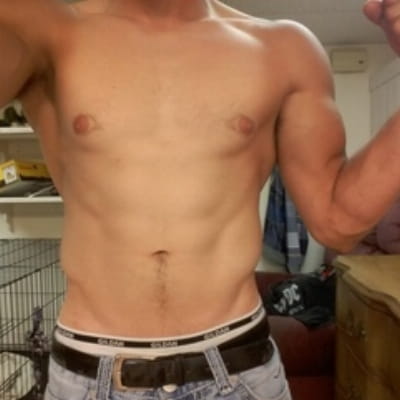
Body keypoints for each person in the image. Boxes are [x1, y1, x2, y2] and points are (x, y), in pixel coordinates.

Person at [0, 0, 399, 399]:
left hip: (239, 368)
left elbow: (338, 222)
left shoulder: (284, 48)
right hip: (91, 371)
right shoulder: (44, 27)